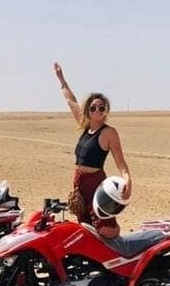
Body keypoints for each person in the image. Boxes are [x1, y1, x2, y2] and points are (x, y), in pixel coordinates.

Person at [54, 62, 131, 239]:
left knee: (105, 227)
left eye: (102, 108)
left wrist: (128, 180)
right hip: (79, 181)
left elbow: (121, 162)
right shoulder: (85, 126)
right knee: (84, 223)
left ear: (106, 111)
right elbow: (70, 100)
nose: (97, 110)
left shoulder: (109, 133)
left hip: (95, 182)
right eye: (93, 107)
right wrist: (61, 79)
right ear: (88, 109)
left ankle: (118, 256)